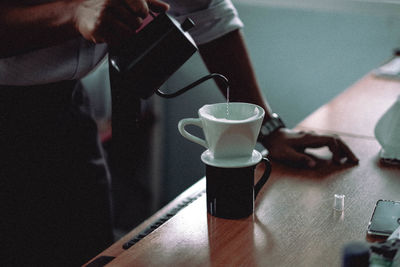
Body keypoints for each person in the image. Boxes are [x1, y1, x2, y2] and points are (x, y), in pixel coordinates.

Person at [0, 0, 358, 265]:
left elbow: (207, 13)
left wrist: (268, 128)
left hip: (66, 110)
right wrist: (73, 13)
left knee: (90, 253)